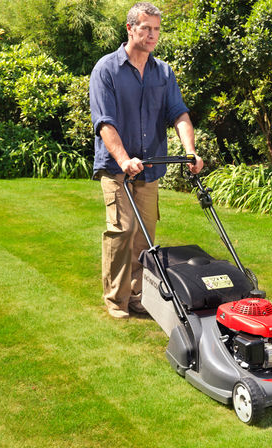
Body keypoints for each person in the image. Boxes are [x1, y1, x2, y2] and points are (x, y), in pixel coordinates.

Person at [89, 2, 203, 319]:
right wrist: (124, 159)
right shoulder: (107, 69)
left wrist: (190, 150)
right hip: (117, 169)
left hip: (150, 169)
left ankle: (139, 296)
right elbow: (104, 122)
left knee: (144, 236)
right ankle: (116, 299)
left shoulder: (163, 72)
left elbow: (178, 113)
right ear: (130, 29)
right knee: (121, 230)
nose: (152, 35)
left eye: (156, 29)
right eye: (146, 28)